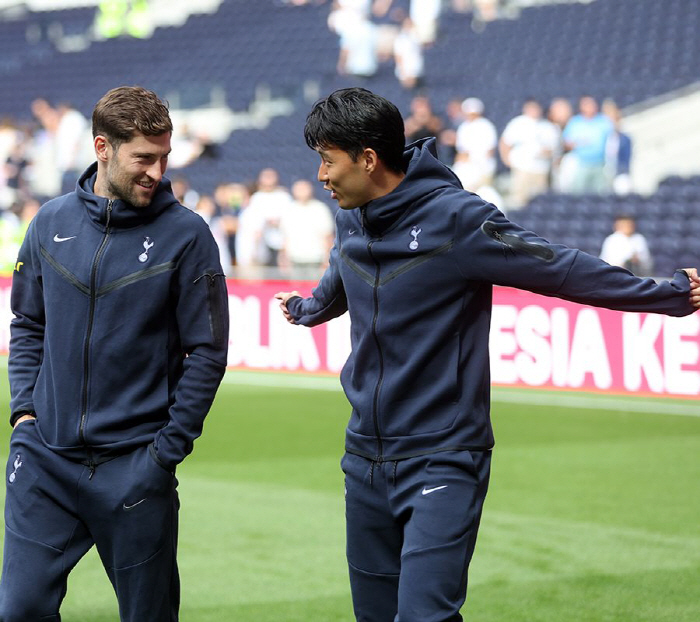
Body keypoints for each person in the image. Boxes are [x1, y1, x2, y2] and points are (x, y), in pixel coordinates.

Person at [274, 87, 700, 622]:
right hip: (362, 462)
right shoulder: (351, 217)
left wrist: (669, 296)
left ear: (367, 159)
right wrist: (307, 308)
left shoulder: (458, 220)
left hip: (443, 456)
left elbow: (560, 267)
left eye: (327, 161)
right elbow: (342, 275)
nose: (321, 177)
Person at [0, 86, 229, 621]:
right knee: (18, 610)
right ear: (102, 147)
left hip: (135, 467)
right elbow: (28, 322)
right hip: (44, 460)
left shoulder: (188, 236)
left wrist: (164, 453)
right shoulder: (48, 224)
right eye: (143, 158)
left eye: (164, 157)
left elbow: (208, 351)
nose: (157, 171)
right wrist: (25, 415)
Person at [499, 98, 559, 208]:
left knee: (539, 202)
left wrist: (543, 152)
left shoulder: (547, 127)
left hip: (540, 169)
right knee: (518, 201)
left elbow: (553, 150)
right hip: (522, 168)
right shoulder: (518, 123)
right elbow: (505, 143)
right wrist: (507, 160)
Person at [561, 95, 614, 194]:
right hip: (581, 164)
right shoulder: (574, 122)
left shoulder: (604, 121)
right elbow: (566, 143)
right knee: (577, 193)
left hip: (600, 164)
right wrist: (576, 144)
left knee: (602, 194)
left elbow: (614, 140)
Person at [452, 96, 497, 192]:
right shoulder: (463, 127)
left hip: (483, 167)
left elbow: (489, 151)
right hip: (468, 168)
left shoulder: (486, 126)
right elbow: (462, 152)